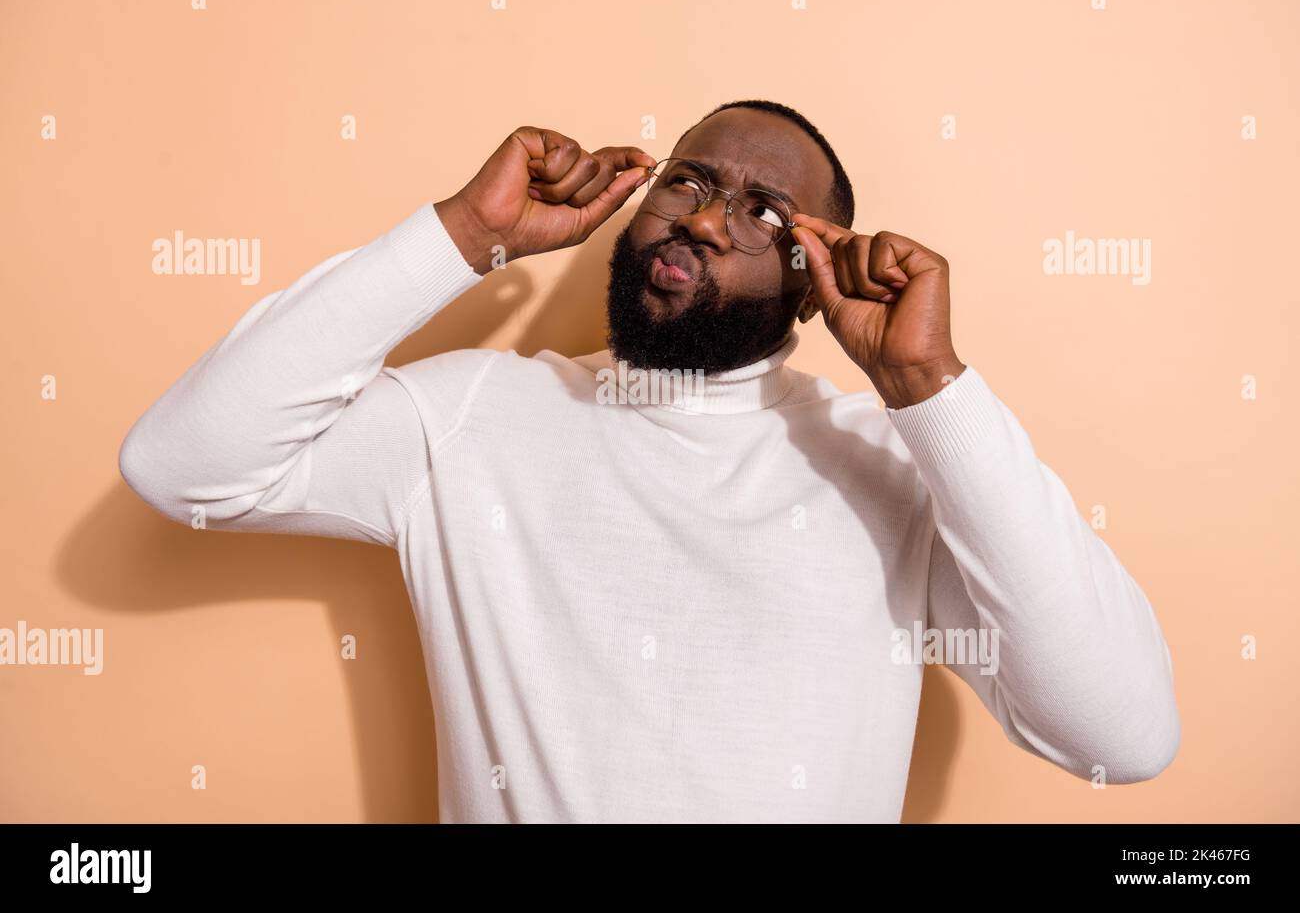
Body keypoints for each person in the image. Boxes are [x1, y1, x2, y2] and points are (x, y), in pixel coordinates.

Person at [118, 99, 1180, 822]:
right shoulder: (477, 417)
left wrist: (930, 390)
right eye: (688, 180)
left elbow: (1120, 733)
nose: (709, 218)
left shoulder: (893, 473)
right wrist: (461, 235)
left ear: (813, 282)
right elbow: (183, 463)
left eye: (762, 210)